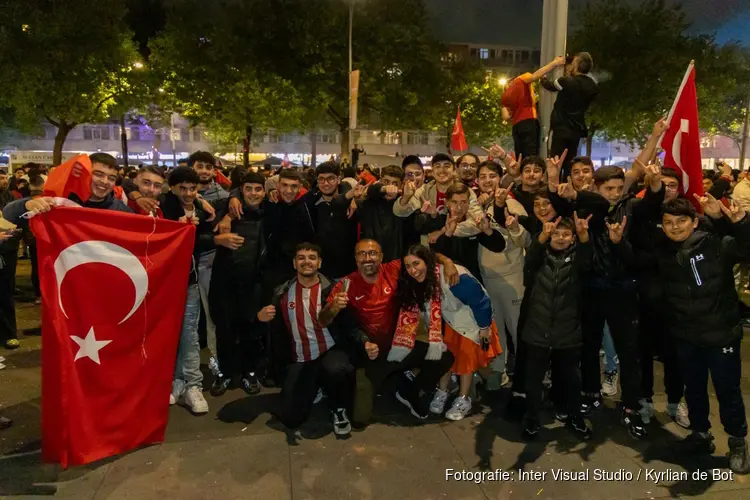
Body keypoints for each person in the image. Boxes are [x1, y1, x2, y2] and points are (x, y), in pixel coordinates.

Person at [553, 164, 664, 439]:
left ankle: (631, 406)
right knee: (588, 347)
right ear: (597, 188)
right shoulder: (589, 207)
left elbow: (652, 204)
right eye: (608, 189)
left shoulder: (633, 208)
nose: (614, 194)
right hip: (591, 289)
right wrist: (560, 186)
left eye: (618, 188)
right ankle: (591, 393)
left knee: (629, 351)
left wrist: (656, 184)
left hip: (624, 290)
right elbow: (565, 204)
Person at [644, 196, 750, 473]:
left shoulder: (717, 244)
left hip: (721, 335)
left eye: (681, 221)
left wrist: (739, 224)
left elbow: (746, 248)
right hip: (685, 336)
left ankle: (738, 442)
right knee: (693, 388)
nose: (675, 227)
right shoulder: (663, 252)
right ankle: (700, 435)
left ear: (694, 222)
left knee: (728, 391)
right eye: (668, 223)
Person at [319, 239, 458, 424]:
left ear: (381, 257)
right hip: (370, 354)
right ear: (355, 258)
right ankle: (381, 383)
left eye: (372, 253)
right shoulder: (346, 284)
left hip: (398, 346)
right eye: (362, 254)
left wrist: (447, 262)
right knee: (359, 420)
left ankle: (411, 391)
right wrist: (333, 307)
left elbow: (426, 254)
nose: (367, 258)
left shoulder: (392, 269)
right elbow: (322, 320)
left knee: (444, 356)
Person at [258, 243, 359, 436]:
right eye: (301, 258)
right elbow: (274, 332)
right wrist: (260, 319)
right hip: (301, 359)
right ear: (294, 263)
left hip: (329, 353)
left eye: (312, 257)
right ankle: (315, 387)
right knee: (291, 419)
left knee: (336, 369)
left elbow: (350, 327)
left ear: (319, 263)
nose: (307, 262)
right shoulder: (282, 293)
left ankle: (338, 407)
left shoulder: (333, 290)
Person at [397, 245, 501, 421]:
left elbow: (481, 302)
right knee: (447, 355)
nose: (412, 270)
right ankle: (442, 391)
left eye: (416, 263)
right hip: (452, 321)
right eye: (408, 266)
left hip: (472, 320)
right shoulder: (424, 279)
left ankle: (463, 398)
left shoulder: (452, 277)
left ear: (427, 262)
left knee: (466, 360)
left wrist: (484, 328)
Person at [161, 167, 223, 415]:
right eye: (182, 188)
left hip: (189, 280)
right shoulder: (164, 206)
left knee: (189, 334)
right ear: (172, 188)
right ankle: (176, 380)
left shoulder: (200, 209)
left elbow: (202, 240)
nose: (187, 193)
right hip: (163, 282)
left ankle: (193, 384)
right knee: (167, 333)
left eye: (193, 189)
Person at [209, 172, 267, 396]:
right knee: (224, 329)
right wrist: (218, 239)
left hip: (254, 282)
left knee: (251, 329)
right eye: (248, 188)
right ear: (241, 190)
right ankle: (224, 372)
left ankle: (250, 372)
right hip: (225, 281)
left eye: (258, 189)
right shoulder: (225, 208)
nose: (253, 193)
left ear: (264, 191)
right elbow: (199, 235)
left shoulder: (269, 210)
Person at [394, 153, 483, 245]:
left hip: (458, 246)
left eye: (447, 166)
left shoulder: (465, 191)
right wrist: (406, 197)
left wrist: (444, 231)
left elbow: (478, 222)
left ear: (454, 170)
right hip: (430, 249)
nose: (442, 170)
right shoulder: (424, 190)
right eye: (437, 166)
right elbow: (399, 212)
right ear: (432, 171)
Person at [541, 52, 599, 180]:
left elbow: (549, 85)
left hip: (560, 128)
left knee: (555, 162)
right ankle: (568, 185)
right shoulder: (592, 87)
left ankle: (554, 188)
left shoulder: (566, 81)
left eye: (573, 62)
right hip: (576, 130)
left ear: (577, 65)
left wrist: (543, 77)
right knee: (569, 164)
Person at [501, 56, 566, 159]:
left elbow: (506, 117)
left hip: (516, 127)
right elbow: (536, 76)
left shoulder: (505, 96)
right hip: (528, 121)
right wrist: (555, 62)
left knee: (520, 157)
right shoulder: (521, 79)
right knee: (531, 156)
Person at [304, 162, 358, 280]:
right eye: (321, 179)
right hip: (320, 272)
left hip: (348, 270)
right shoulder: (309, 203)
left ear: (338, 179)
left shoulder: (351, 202)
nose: (326, 183)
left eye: (330, 179)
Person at [356, 165, 419, 263]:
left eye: (395, 183)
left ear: (401, 185)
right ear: (380, 181)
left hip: (395, 261)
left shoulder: (405, 205)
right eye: (386, 182)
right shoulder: (368, 202)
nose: (391, 187)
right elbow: (371, 190)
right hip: (371, 260)